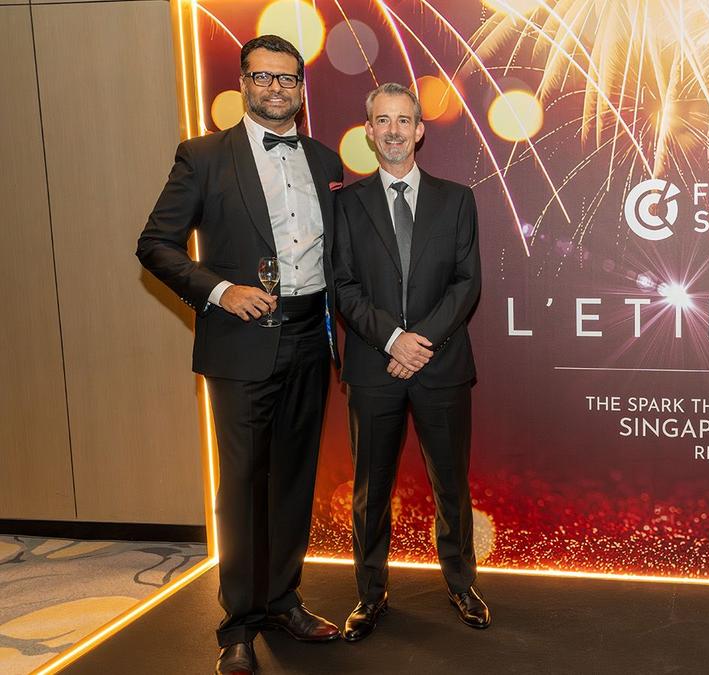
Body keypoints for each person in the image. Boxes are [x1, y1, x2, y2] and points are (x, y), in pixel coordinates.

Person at [136, 34, 343, 675]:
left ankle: (283, 600)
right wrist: (222, 291)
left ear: (301, 88)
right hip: (242, 340)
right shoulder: (203, 156)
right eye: (264, 76)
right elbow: (156, 244)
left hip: (310, 337)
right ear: (244, 82)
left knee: (294, 480)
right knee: (243, 486)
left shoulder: (325, 157)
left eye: (288, 78)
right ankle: (238, 624)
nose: (277, 88)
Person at [333, 82, 487, 642]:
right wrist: (393, 340)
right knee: (370, 491)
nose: (394, 130)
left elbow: (467, 284)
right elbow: (343, 287)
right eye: (383, 120)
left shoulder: (458, 199)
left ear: (420, 130)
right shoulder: (345, 204)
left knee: (451, 486)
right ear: (368, 131)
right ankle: (370, 595)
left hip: (441, 366)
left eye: (404, 120)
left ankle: (462, 585)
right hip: (373, 368)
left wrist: (418, 342)